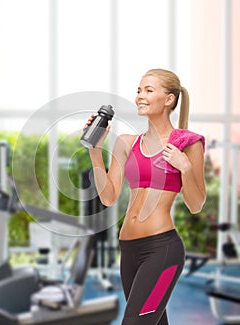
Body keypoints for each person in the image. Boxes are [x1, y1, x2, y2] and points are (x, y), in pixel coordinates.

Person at [83, 68, 206, 325]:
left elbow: (196, 204)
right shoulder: (127, 143)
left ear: (169, 99)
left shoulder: (188, 144)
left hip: (162, 251)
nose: (140, 95)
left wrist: (184, 167)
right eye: (139, 90)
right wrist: (95, 152)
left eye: (149, 90)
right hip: (128, 250)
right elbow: (108, 197)